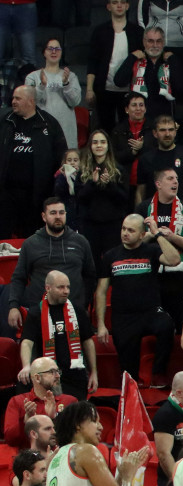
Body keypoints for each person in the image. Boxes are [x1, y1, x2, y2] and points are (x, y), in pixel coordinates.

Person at [95, 214, 179, 384]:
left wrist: (157, 234)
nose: (125, 233)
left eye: (131, 230)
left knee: (166, 325)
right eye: (124, 229)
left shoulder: (152, 251)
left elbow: (174, 259)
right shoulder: (111, 256)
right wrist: (101, 324)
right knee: (129, 373)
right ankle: (132, 387)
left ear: (142, 235)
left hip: (150, 311)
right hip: (123, 317)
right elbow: (101, 292)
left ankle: (158, 373)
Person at [8, 199, 96, 329]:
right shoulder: (30, 244)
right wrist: (13, 306)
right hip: (40, 314)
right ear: (44, 216)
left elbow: (90, 276)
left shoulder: (81, 242)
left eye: (61, 212)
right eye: (53, 213)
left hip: (74, 313)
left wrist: (84, 305)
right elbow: (18, 278)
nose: (58, 217)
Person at [0, 86, 68, 240]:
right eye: (13, 98)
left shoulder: (49, 124)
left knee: (32, 238)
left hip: (35, 195)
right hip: (6, 193)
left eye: (18, 98)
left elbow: (61, 157)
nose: (13, 102)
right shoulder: (5, 121)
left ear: (31, 101)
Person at [19, 271, 98, 401]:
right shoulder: (36, 313)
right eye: (61, 287)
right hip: (47, 376)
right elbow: (27, 342)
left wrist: (94, 372)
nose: (66, 291)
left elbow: (88, 342)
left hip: (74, 373)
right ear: (48, 288)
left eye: (68, 287)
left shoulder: (77, 311)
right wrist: (26, 365)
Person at [134, 167, 183, 328]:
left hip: (177, 275)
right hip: (149, 274)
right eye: (170, 178)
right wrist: (153, 234)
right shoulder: (143, 208)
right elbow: (132, 242)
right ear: (158, 184)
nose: (175, 181)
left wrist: (172, 236)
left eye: (176, 178)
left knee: (178, 322)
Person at [86, 0, 144, 131]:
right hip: (104, 89)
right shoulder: (99, 31)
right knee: (105, 128)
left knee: (128, 129)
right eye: (115, 2)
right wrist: (89, 89)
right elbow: (92, 62)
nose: (119, 5)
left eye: (122, 2)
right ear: (108, 7)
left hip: (129, 90)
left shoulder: (137, 32)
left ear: (127, 6)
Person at [113, 27, 183, 124]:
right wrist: (131, 58)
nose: (155, 45)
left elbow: (181, 89)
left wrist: (173, 60)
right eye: (150, 41)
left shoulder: (171, 61)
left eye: (158, 41)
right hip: (139, 118)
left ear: (163, 42)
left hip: (164, 119)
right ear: (144, 42)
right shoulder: (136, 60)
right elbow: (119, 81)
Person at [76, 131, 131, 260]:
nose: (99, 145)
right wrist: (92, 183)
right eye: (95, 142)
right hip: (90, 225)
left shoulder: (119, 170)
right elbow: (80, 198)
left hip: (112, 225)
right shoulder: (83, 170)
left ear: (108, 146)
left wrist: (109, 185)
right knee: (91, 262)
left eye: (102, 142)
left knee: (112, 260)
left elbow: (124, 198)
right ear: (90, 146)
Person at [4, 357, 77, 447]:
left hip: (60, 456)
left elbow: (76, 436)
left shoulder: (70, 401)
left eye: (58, 371)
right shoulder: (17, 401)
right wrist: (26, 422)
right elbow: (10, 439)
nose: (58, 375)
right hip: (30, 458)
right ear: (37, 378)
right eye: (52, 372)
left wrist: (55, 417)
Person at [134, 115, 183, 206]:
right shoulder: (145, 159)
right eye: (162, 130)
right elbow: (140, 191)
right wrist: (139, 216)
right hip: (153, 215)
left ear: (175, 132)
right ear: (155, 133)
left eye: (171, 130)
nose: (167, 134)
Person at [26, 39, 82, 150]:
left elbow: (75, 102)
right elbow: (30, 102)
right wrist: (42, 85)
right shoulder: (33, 77)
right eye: (50, 48)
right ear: (44, 53)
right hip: (42, 130)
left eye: (57, 49)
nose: (54, 52)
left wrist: (66, 84)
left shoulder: (71, 76)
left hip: (66, 131)